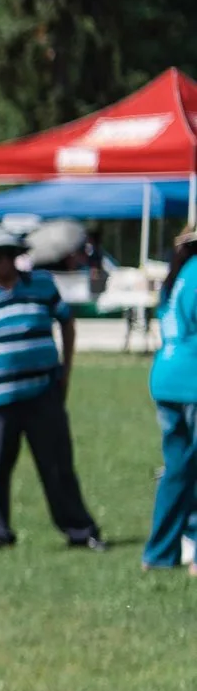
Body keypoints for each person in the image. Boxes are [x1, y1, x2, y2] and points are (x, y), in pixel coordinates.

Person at [0, 226, 104, 552]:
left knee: (57, 465)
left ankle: (80, 529)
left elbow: (66, 322)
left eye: (8, 254)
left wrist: (65, 371)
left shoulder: (42, 286)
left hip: (42, 392)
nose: (3, 261)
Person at [142, 224, 197, 574]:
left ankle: (159, 554)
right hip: (192, 379)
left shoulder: (178, 274)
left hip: (167, 377)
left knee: (177, 469)